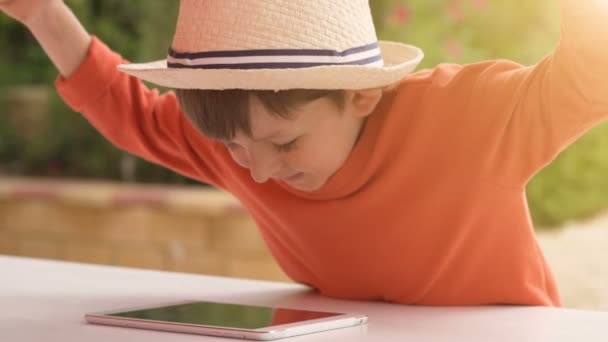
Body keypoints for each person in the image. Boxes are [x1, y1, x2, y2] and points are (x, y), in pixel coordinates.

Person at [1, 0, 606, 307]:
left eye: (285, 141)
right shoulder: (240, 148)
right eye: (233, 146)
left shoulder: (470, 120)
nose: (260, 172)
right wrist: (43, 12)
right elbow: (130, 112)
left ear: (363, 94)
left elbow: (589, 74)